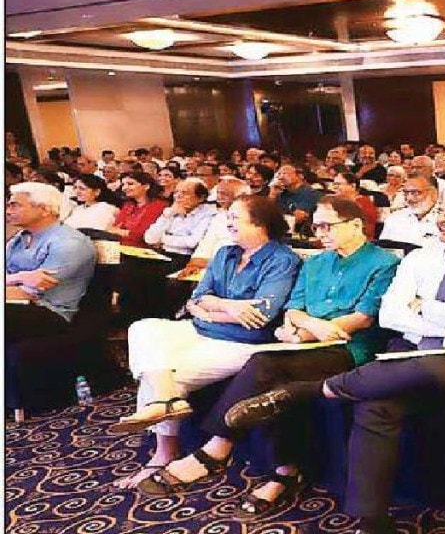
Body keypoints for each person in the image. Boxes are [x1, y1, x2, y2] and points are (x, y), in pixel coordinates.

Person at [223, 188, 445, 534]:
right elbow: (391, 314)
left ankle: (305, 391)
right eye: (442, 211)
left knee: (413, 368)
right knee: (374, 406)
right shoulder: (420, 257)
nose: (444, 219)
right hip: (410, 352)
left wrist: (423, 306)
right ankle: (371, 522)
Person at [137, 197, 399, 518]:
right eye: (315, 226)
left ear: (356, 225)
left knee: (263, 365)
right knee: (273, 386)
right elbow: (293, 308)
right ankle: (284, 472)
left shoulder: (383, 262)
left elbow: (363, 317)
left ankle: (218, 448)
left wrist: (305, 332)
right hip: (303, 341)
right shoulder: (316, 262)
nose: (320, 233)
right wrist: (309, 327)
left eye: (327, 226)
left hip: (349, 348)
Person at [109, 195, 301, 490]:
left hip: (244, 341)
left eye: (235, 217)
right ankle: (168, 401)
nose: (228, 222)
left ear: (260, 223)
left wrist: (210, 310)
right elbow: (197, 297)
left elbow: (261, 315)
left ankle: (163, 450)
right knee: (142, 328)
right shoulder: (225, 253)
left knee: (163, 373)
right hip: (201, 328)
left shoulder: (282, 259)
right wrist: (228, 306)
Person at [5, 181, 97, 346]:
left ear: (44, 210)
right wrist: (19, 277)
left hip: (49, 311)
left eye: (15, 205)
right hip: (15, 301)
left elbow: (30, 293)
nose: (8, 211)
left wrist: (14, 279)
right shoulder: (20, 237)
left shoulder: (69, 242)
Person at [143, 178, 218, 259]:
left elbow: (192, 242)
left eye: (184, 193)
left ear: (201, 198)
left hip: (185, 258)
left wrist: (161, 239)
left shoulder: (208, 214)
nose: (178, 196)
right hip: (162, 254)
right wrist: (167, 216)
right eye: (176, 192)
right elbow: (149, 238)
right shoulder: (172, 210)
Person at [378, 173, 440, 246]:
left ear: (434, 193)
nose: (409, 198)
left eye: (415, 192)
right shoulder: (394, 218)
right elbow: (383, 248)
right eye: (406, 193)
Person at [110, 172, 169, 247]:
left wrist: (119, 231)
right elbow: (113, 228)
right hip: (120, 246)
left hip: (143, 249)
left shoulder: (159, 205)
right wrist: (123, 232)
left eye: (130, 184)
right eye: (123, 185)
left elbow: (140, 235)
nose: (124, 188)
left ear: (146, 186)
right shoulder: (128, 205)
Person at [269, 165, 320, 234]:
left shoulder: (310, 193)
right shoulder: (280, 193)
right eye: (279, 174)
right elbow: (267, 214)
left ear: (300, 176)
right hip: (280, 231)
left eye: (284, 173)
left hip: (302, 233)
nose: (280, 177)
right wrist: (272, 194)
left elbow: (299, 218)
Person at [331, 171, 379, 239]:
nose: (335, 187)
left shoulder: (362, 203)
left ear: (352, 186)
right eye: (334, 184)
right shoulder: (338, 201)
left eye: (338, 184)